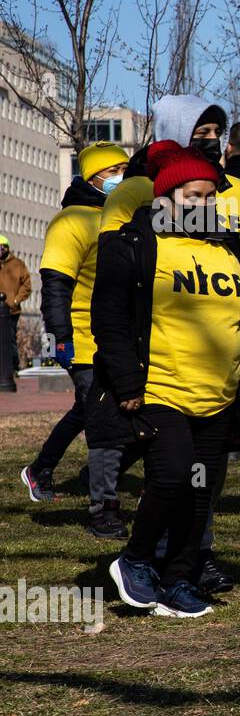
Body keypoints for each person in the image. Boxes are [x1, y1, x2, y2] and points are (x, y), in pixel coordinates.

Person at [95, 142, 240, 618]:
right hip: (161, 391)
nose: (205, 206)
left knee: (199, 492)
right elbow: (108, 317)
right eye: (194, 196)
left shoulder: (228, 249)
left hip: (218, 395)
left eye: (212, 197)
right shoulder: (134, 244)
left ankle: (179, 580)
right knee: (170, 479)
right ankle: (134, 560)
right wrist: (127, 383)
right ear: (166, 199)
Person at [21, 142, 133, 539]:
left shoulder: (124, 218)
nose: (122, 175)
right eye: (114, 170)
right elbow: (55, 284)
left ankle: (40, 469)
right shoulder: (71, 222)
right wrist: (61, 338)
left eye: (126, 167)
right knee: (104, 419)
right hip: (85, 340)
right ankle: (103, 507)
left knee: (91, 412)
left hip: (122, 340)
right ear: (92, 177)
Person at [0, 234, 31, 374]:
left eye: (2, 247)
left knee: (10, 338)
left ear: (7, 248)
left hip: (11, 310)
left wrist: (15, 301)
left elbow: (26, 286)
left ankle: (13, 368)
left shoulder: (18, 265)